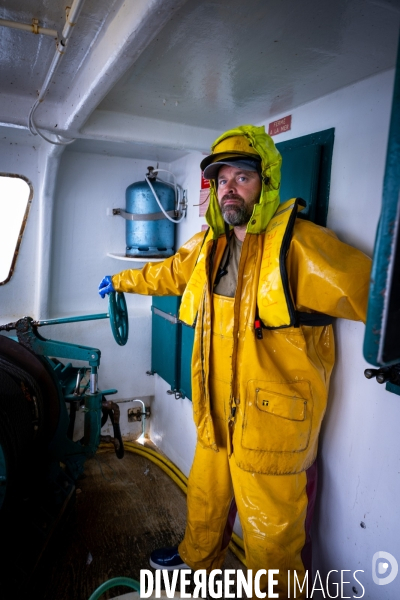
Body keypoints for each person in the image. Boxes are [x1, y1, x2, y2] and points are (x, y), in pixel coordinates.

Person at [99, 124, 371, 598]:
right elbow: (167, 273)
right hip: (215, 412)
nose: (229, 188)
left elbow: (375, 291)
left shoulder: (299, 246)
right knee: (205, 503)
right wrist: (121, 282)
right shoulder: (209, 246)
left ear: (264, 183)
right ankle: (194, 563)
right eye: (221, 180)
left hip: (271, 428)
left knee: (271, 544)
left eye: (241, 178)